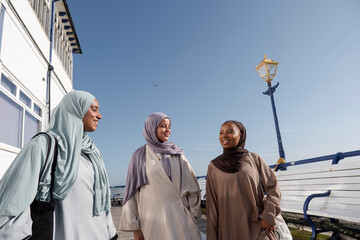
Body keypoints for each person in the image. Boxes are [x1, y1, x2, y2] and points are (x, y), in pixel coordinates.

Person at [0, 90, 117, 240]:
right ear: (76, 109)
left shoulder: (93, 152)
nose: (99, 116)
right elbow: (13, 201)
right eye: (94, 109)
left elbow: (102, 203)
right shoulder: (43, 145)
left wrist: (111, 233)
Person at [119, 112, 201, 240]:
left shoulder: (177, 153)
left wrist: (193, 214)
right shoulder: (139, 156)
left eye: (169, 126)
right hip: (152, 222)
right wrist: (135, 228)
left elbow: (192, 185)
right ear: (151, 127)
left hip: (181, 219)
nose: (168, 130)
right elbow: (130, 194)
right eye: (163, 126)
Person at [206, 120, 281, 240]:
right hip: (228, 230)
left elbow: (273, 188)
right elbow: (212, 207)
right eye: (221, 132)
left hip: (257, 227)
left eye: (230, 131)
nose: (224, 135)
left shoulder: (253, 159)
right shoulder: (213, 166)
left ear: (241, 135)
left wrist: (268, 215)